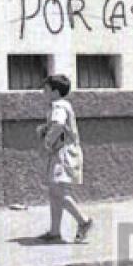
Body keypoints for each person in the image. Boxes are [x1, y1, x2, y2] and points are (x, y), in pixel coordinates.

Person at [35, 74, 93, 243]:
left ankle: (83, 221)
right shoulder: (62, 105)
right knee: (54, 192)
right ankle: (54, 232)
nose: (43, 92)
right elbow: (58, 125)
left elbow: (59, 125)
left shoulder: (58, 106)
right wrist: (45, 128)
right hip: (63, 152)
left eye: (45, 89)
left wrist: (47, 142)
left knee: (59, 192)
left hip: (63, 154)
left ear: (55, 92)